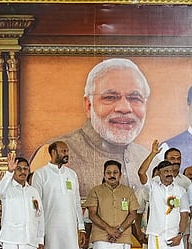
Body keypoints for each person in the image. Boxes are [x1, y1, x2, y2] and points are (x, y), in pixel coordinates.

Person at [31, 58, 150, 195]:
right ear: (88, 105)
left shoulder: (149, 159)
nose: (124, 108)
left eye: (135, 98)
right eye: (110, 97)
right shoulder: (53, 153)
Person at [31, 141, 87, 249]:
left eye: (67, 150)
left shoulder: (72, 174)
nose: (66, 153)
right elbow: (37, 208)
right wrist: (40, 237)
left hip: (70, 232)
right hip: (50, 231)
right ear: (53, 152)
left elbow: (77, 203)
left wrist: (81, 228)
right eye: (63, 150)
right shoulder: (40, 175)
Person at [138, 157, 188, 249]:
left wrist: (180, 235)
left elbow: (184, 215)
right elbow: (141, 172)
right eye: (166, 171)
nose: (169, 174)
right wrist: (153, 153)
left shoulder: (181, 191)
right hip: (157, 236)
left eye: (170, 171)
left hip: (175, 237)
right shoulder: (153, 188)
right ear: (159, 174)